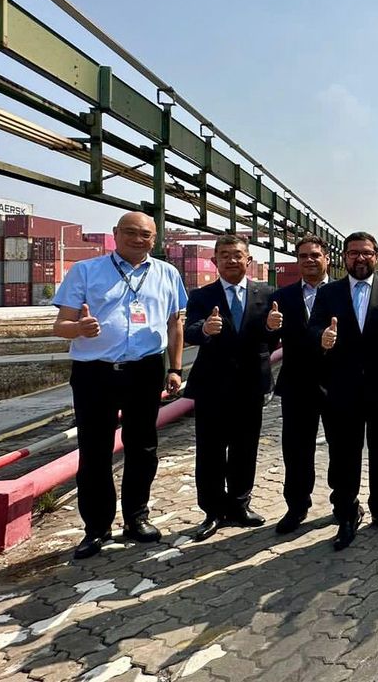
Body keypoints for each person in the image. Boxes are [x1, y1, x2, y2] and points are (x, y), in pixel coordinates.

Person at [52, 212, 186, 559]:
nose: (138, 239)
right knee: (94, 451)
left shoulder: (167, 274)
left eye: (145, 235)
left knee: (143, 447)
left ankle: (136, 518)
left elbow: (174, 325)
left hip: (144, 370)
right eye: (130, 233)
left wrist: (175, 368)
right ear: (115, 234)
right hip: (95, 373)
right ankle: (96, 529)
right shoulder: (85, 271)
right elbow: (60, 324)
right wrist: (78, 329)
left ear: (154, 239)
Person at [310, 231, 378, 550]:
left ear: (376, 255)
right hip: (342, 386)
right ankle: (346, 515)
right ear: (344, 257)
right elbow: (314, 326)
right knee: (345, 453)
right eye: (353, 253)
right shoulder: (329, 293)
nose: (360, 258)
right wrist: (322, 338)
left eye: (366, 253)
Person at [184, 234, 277, 541]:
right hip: (213, 384)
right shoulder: (201, 296)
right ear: (215, 261)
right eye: (225, 255)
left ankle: (239, 505)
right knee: (210, 451)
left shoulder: (266, 294)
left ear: (248, 260)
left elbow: (272, 339)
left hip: (251, 383)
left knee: (245, 447)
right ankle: (212, 511)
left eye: (238, 255)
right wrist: (205, 329)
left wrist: (273, 327)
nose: (232, 260)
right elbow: (190, 332)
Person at [268, 234, 331, 534]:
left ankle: (344, 501)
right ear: (297, 260)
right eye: (303, 255)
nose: (309, 260)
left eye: (315, 255)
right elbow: (267, 343)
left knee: (342, 447)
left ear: (326, 258)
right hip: (296, 383)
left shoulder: (342, 293)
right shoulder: (283, 297)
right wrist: (270, 328)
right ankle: (296, 506)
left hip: (336, 382)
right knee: (296, 449)